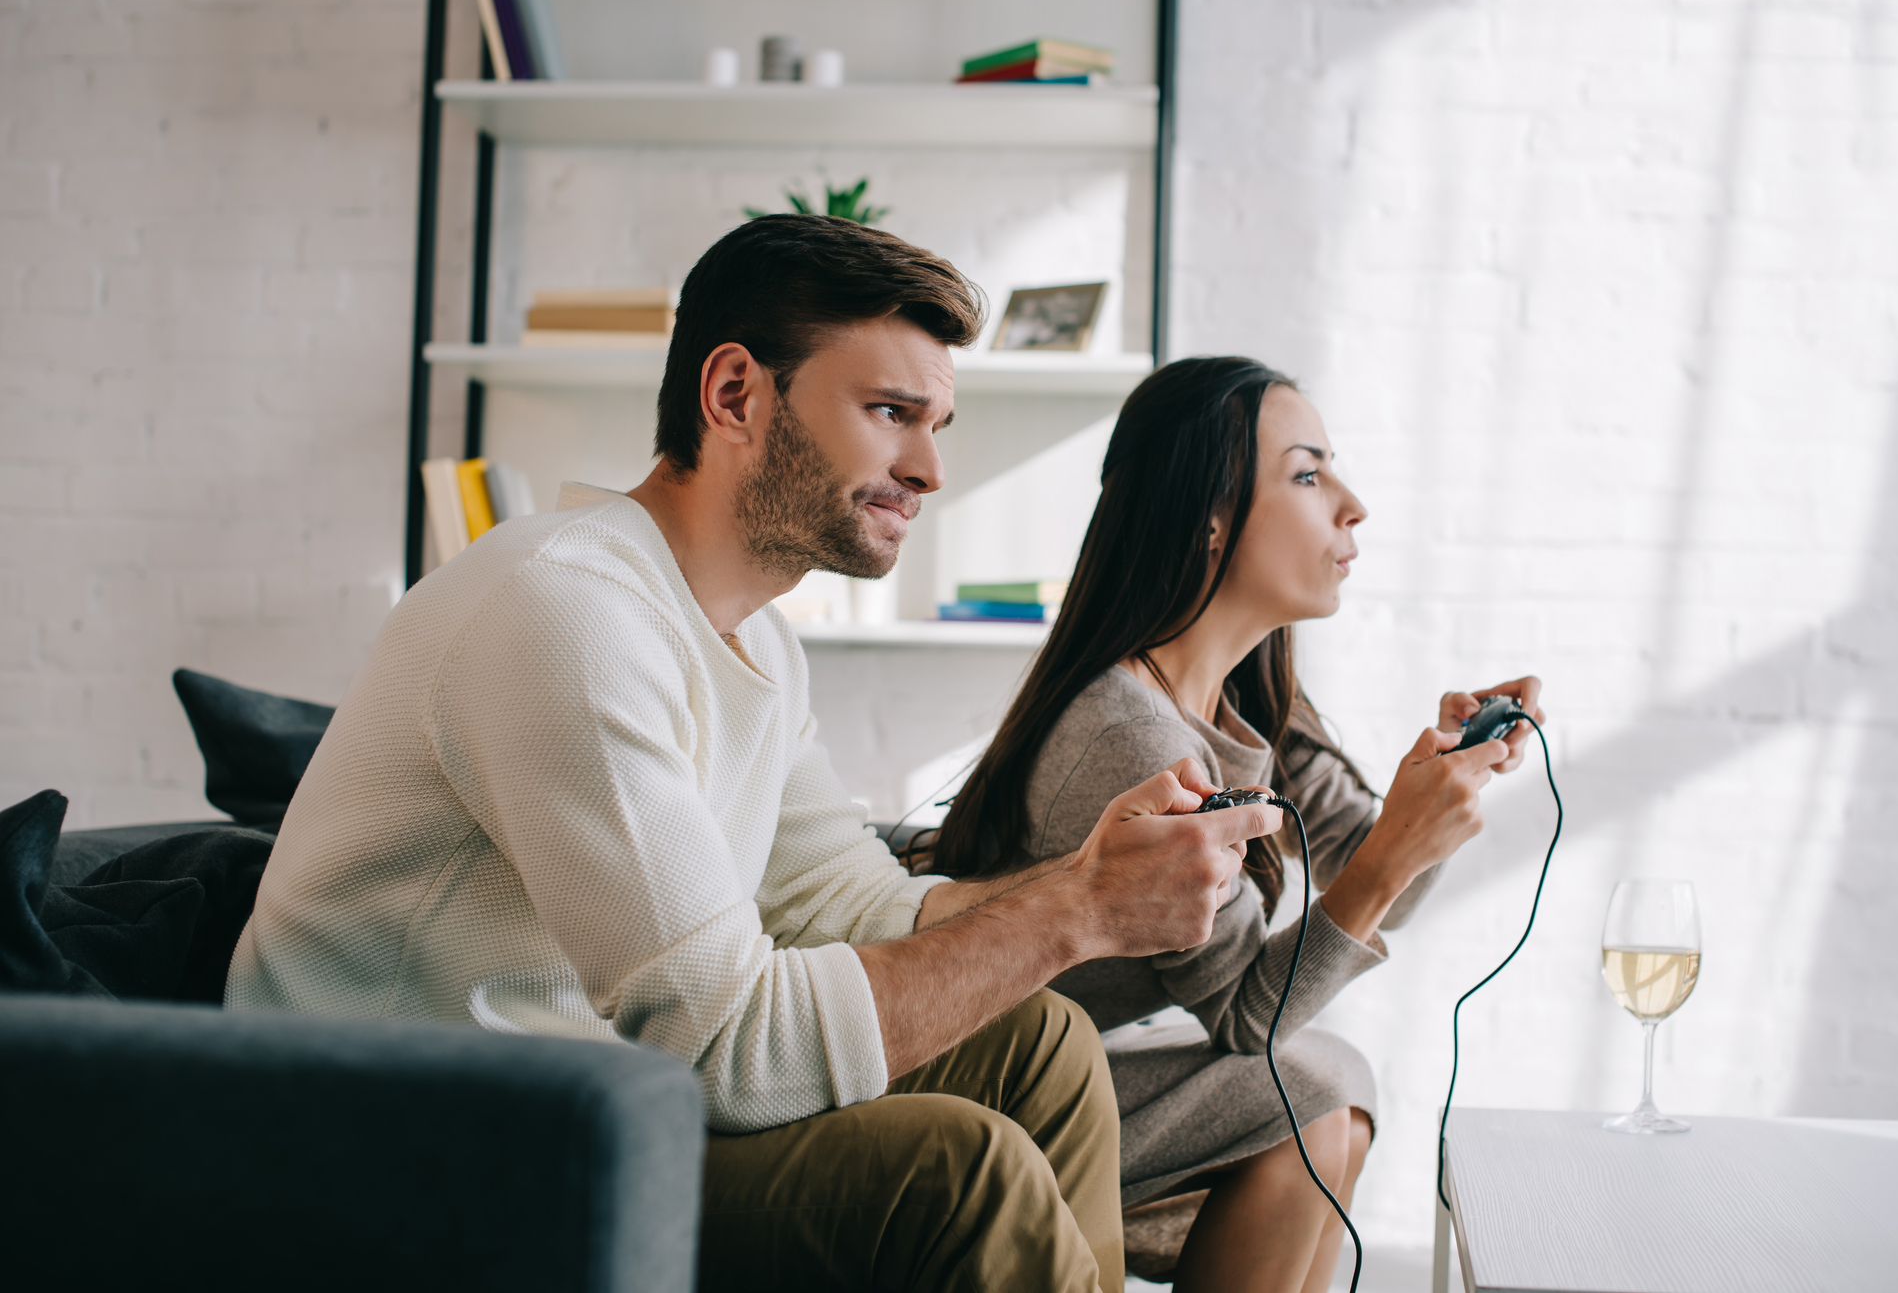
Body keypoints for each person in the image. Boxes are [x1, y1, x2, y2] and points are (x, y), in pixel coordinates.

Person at [225, 216, 1284, 1293]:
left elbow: (847, 900)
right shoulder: (566, 613)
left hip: (588, 1100)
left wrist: (1083, 878)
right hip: (416, 1155)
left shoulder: (757, 642)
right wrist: (1077, 913)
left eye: (937, 425)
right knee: (956, 1177)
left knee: (1041, 1045)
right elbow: (725, 1043)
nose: (926, 468)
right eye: (889, 414)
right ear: (734, 395)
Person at [925, 356, 1545, 1292]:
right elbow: (1247, 1019)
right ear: (1211, 517)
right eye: (1307, 474)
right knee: (1310, 1089)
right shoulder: (1129, 730)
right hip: (1004, 1093)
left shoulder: (1247, 694)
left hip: (1095, 1068)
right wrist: (1391, 852)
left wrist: (1451, 780)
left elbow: (1384, 884)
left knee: (1333, 1084)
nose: (1353, 504)